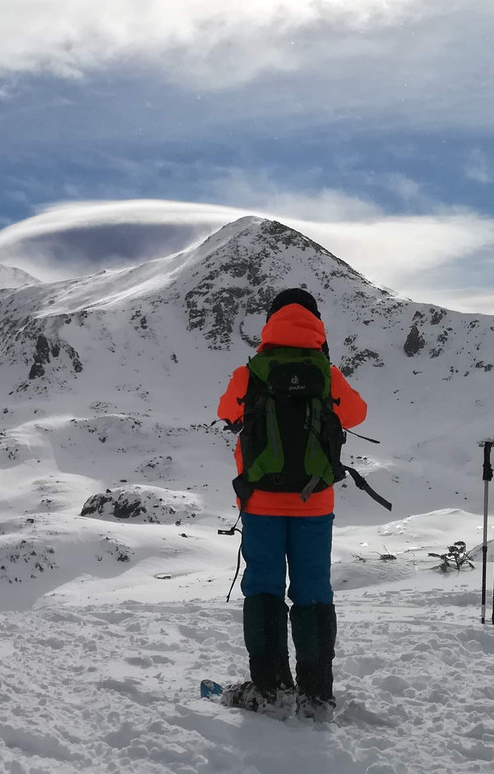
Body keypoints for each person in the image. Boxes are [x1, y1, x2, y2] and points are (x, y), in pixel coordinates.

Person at [216, 288, 367, 718]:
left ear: (271, 321)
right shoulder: (327, 373)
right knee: (313, 590)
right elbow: (357, 414)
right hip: (315, 501)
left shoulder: (251, 372)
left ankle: (269, 689)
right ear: (316, 323)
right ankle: (316, 694)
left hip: (261, 503)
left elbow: (227, 412)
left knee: (263, 586)